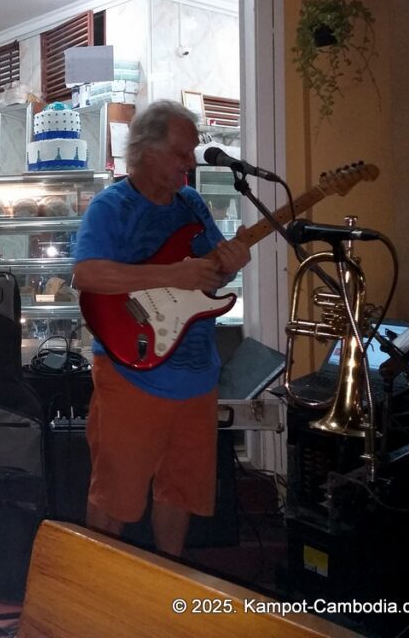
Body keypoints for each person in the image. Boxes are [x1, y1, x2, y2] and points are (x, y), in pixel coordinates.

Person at [72, 100, 250, 558]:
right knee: (115, 500)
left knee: (180, 494)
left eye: (191, 152)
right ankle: (98, 606)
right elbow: (88, 275)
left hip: (196, 375)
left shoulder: (191, 203)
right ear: (145, 151)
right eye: (180, 153)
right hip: (131, 373)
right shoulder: (111, 206)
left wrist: (228, 267)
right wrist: (172, 274)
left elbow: (207, 275)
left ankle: (166, 592)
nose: (190, 162)